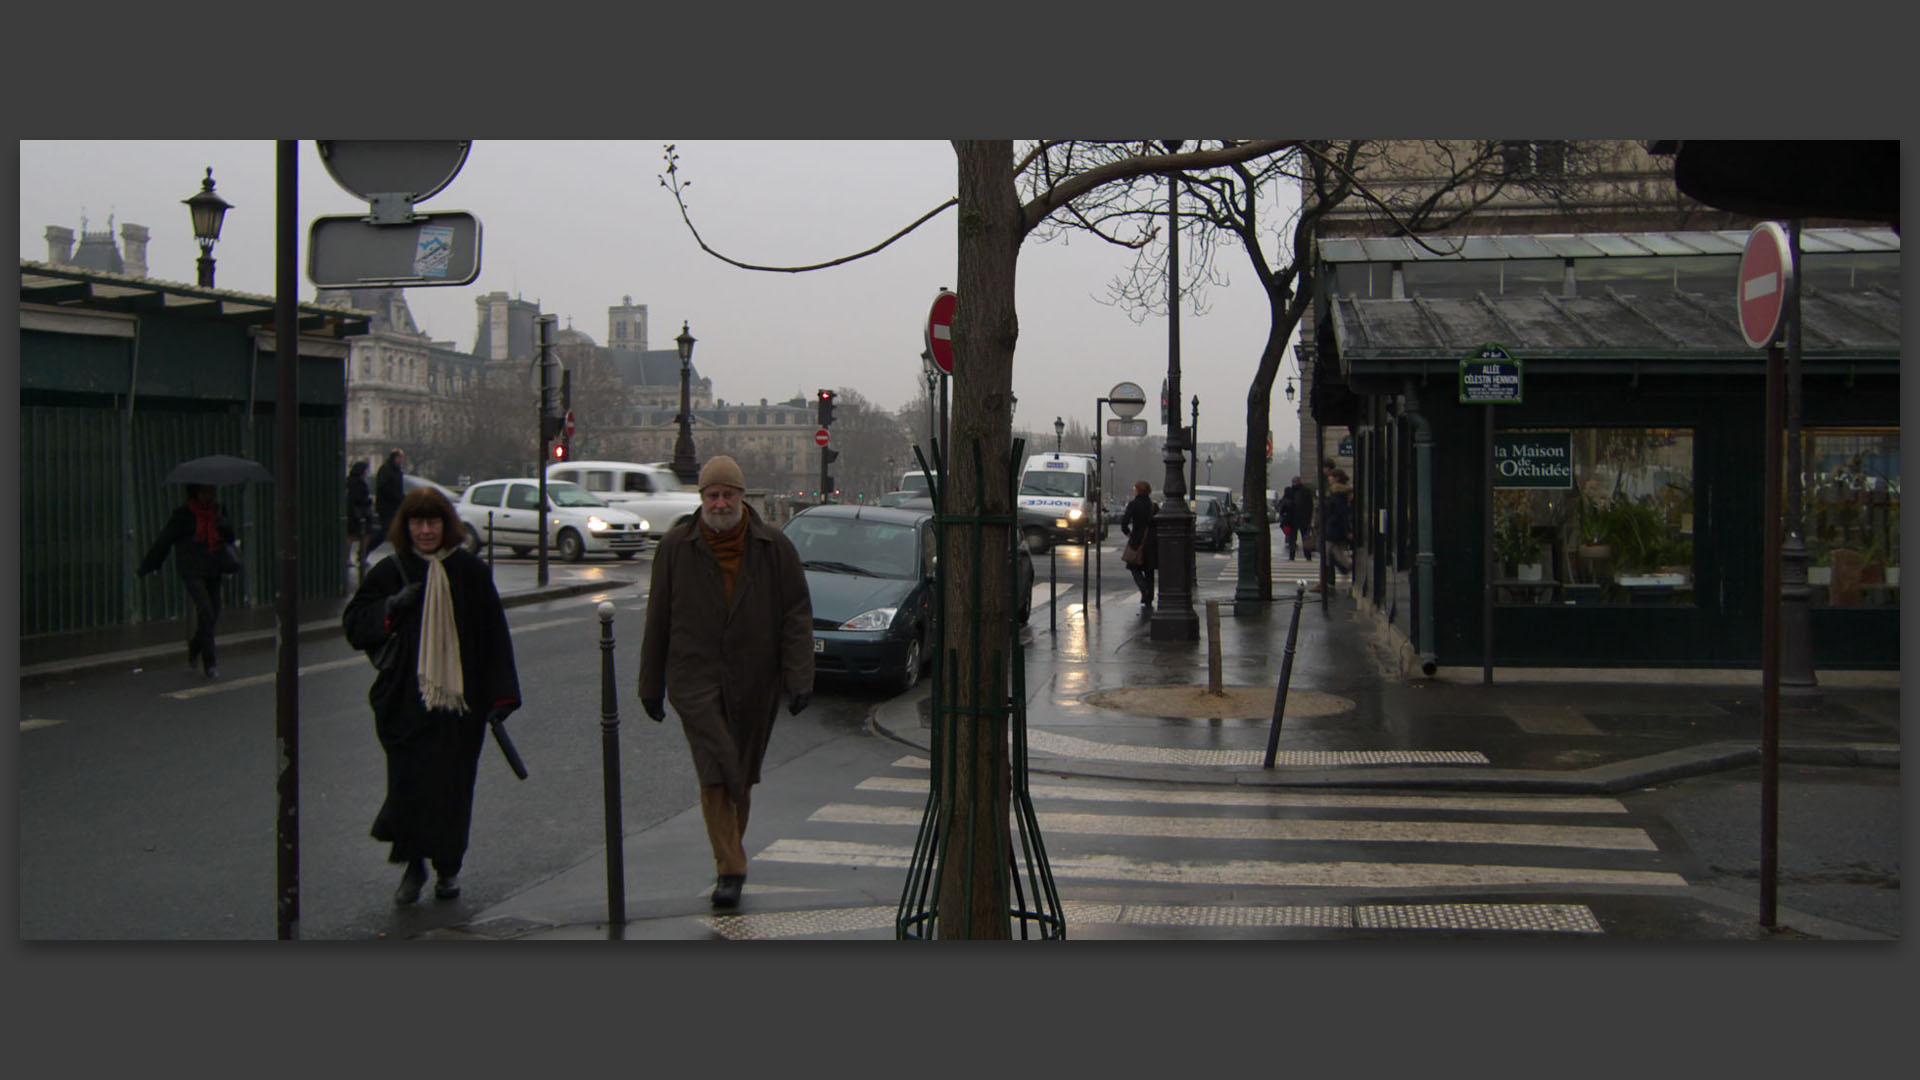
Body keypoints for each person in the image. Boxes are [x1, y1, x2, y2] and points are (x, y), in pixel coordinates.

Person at [638, 455, 813, 910]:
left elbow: (795, 615)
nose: (720, 503)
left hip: (755, 679)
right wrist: (650, 684)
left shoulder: (774, 548)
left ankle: (729, 853)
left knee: (741, 773)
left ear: (741, 496)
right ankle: (730, 869)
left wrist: (799, 677)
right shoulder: (677, 547)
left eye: (727, 494)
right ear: (701, 499)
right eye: (712, 495)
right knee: (717, 769)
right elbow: (658, 618)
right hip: (694, 678)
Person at [343, 487, 521, 905]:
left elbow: (493, 636)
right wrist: (390, 607)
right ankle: (413, 865)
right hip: (405, 702)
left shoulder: (471, 572)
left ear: (447, 526)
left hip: (460, 706)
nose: (425, 531)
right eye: (417, 524)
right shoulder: (391, 570)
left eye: (433, 523)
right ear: (406, 528)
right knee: (408, 786)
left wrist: (500, 699)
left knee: (453, 788)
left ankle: (448, 867)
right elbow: (355, 624)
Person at [137, 483, 236, 678]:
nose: (210, 496)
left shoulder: (219, 511)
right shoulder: (183, 515)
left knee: (213, 614)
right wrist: (148, 566)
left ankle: (195, 647)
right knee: (206, 611)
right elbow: (164, 540)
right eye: (205, 492)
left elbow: (230, 536)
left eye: (212, 491)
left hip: (214, 568)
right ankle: (210, 663)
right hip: (192, 570)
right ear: (196, 493)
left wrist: (222, 522)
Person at [1120, 479, 1159, 613]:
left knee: (1134, 567)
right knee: (1149, 571)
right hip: (1151, 542)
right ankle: (1149, 597)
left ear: (1137, 490)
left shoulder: (1133, 504)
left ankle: (1144, 589)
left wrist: (1129, 534)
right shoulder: (1153, 506)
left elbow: (1124, 523)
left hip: (1137, 540)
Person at [1325, 468, 1355, 577]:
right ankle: (1346, 568)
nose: (1329, 479)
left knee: (1330, 552)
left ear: (1336, 478)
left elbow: (1341, 513)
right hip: (1336, 527)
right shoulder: (1340, 492)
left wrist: (1347, 530)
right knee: (1337, 552)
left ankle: (1348, 567)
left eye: (1331, 477)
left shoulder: (1337, 493)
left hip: (1335, 528)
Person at [346, 460, 376, 570]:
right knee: (362, 535)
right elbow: (359, 498)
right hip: (358, 513)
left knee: (351, 536)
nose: (367, 472)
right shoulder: (358, 483)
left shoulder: (350, 481)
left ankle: (349, 558)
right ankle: (361, 557)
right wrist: (369, 501)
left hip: (353, 512)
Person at [373, 448, 407, 542]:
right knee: (385, 531)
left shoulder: (397, 471)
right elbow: (383, 487)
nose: (401, 460)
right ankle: (367, 548)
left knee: (394, 530)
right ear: (394, 458)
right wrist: (397, 497)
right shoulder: (386, 469)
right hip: (386, 506)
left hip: (394, 505)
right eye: (400, 457)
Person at [1278, 476, 1312, 560]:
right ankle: (1292, 555)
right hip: (1293, 518)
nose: (1294, 483)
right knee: (1293, 538)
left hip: (1301, 518)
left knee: (1303, 537)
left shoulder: (1304, 491)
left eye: (1296, 481)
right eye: (1293, 482)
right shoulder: (1290, 491)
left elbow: (1310, 506)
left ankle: (1307, 555)